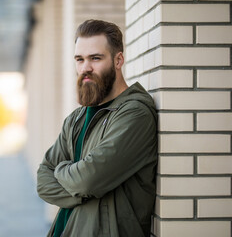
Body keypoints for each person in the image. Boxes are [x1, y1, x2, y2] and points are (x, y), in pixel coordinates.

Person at [37, 19, 158, 237]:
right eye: (79, 59)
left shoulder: (135, 113)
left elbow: (87, 180)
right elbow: (43, 181)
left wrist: (62, 171)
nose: (85, 68)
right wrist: (83, 185)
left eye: (95, 58)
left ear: (118, 59)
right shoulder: (76, 118)